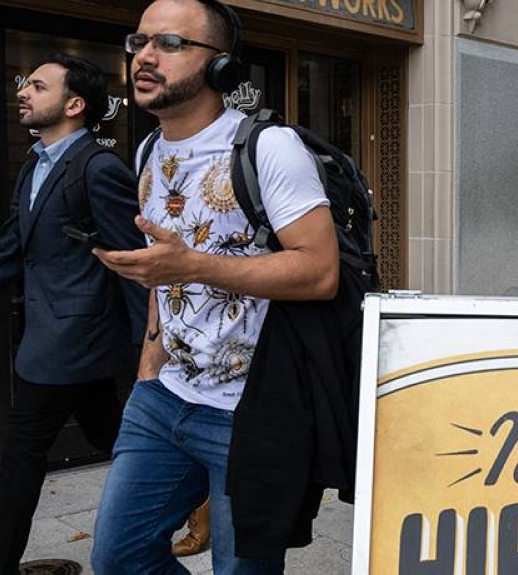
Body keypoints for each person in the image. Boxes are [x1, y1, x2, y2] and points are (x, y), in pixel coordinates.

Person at [89, 0, 339, 573]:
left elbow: (320, 271)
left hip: (252, 411)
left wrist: (194, 266)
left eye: (171, 44)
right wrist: (150, 363)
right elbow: (164, 265)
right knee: (119, 560)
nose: (146, 56)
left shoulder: (268, 148)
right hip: (162, 398)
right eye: (141, 42)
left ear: (222, 66)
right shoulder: (149, 149)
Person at [0, 52, 147, 574]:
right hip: (58, 343)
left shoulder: (100, 169)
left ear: (74, 104)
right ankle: (184, 505)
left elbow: (134, 267)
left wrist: (151, 354)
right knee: (122, 444)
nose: (23, 91)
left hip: (70, 347)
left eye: (37, 85)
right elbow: (11, 250)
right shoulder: (35, 164)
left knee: (20, 460)